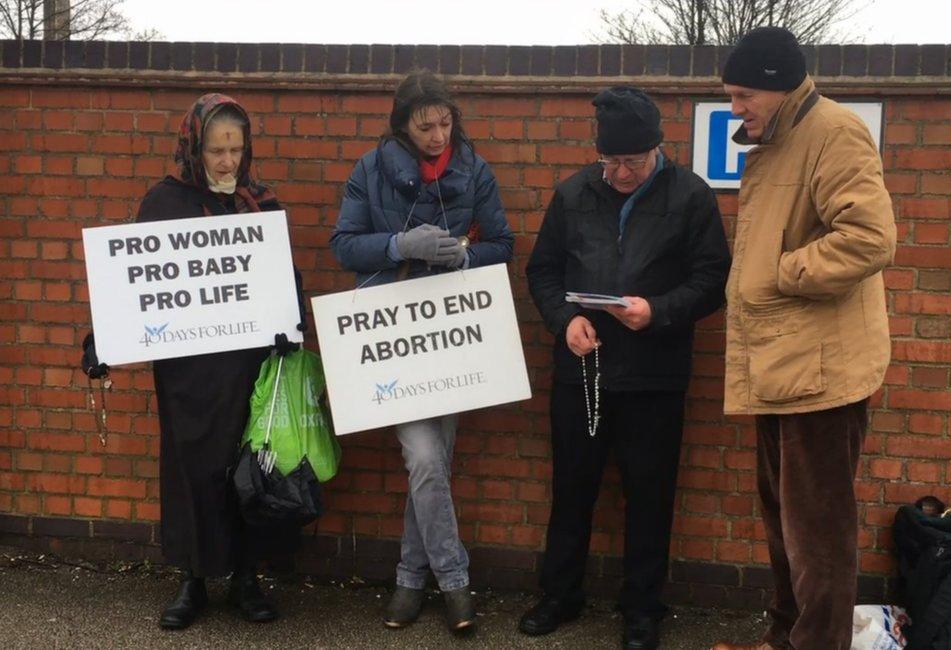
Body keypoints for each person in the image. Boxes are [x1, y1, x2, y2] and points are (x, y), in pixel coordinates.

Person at [82, 93, 303, 630]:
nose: (227, 161)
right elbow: (136, 282)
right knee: (193, 472)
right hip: (187, 374)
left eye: (236, 148)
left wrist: (292, 325)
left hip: (247, 367)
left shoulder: (260, 203)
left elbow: (283, 276)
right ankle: (193, 579)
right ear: (194, 146)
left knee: (247, 470)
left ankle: (248, 578)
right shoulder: (164, 202)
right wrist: (102, 340)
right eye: (216, 150)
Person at [522, 86, 731, 650]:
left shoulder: (691, 196)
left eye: (631, 163)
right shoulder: (573, 193)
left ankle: (642, 609)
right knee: (572, 488)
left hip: (654, 375)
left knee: (649, 494)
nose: (618, 173)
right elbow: (542, 272)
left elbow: (714, 279)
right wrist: (563, 319)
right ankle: (560, 595)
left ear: (656, 150)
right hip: (582, 372)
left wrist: (659, 311)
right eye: (609, 161)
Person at [711, 27, 896, 650]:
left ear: (776, 84)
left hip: (820, 372)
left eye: (741, 95)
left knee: (818, 534)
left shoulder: (834, 132)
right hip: (783, 363)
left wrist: (782, 271)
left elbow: (870, 238)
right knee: (783, 522)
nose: (734, 109)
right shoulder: (781, 136)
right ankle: (786, 636)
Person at [330, 70, 514, 632]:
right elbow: (343, 245)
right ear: (403, 125)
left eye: (445, 122)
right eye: (425, 125)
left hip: (452, 335)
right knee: (427, 460)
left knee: (430, 468)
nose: (438, 135)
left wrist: (465, 258)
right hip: (391, 335)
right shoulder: (371, 168)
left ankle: (409, 580)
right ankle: (456, 584)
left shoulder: (474, 169)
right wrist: (396, 245)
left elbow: (503, 245)